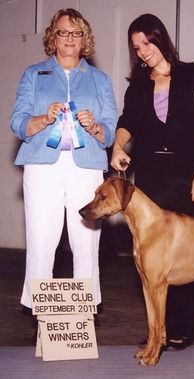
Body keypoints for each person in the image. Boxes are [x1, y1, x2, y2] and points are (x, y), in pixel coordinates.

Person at [111, 13, 194, 349]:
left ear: (160, 38)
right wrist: (117, 145)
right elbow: (127, 121)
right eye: (136, 47)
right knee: (151, 261)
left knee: (190, 257)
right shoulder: (138, 85)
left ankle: (181, 329)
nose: (142, 51)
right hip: (150, 180)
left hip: (189, 176)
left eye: (147, 42)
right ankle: (155, 330)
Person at [10, 8, 117, 312]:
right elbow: (17, 122)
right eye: (62, 32)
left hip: (87, 168)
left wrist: (94, 126)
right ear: (52, 38)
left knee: (86, 243)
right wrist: (45, 118)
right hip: (43, 166)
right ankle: (41, 313)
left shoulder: (100, 79)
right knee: (41, 241)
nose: (70, 38)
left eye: (76, 32)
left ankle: (84, 313)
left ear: (85, 40)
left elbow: (110, 130)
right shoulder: (33, 74)